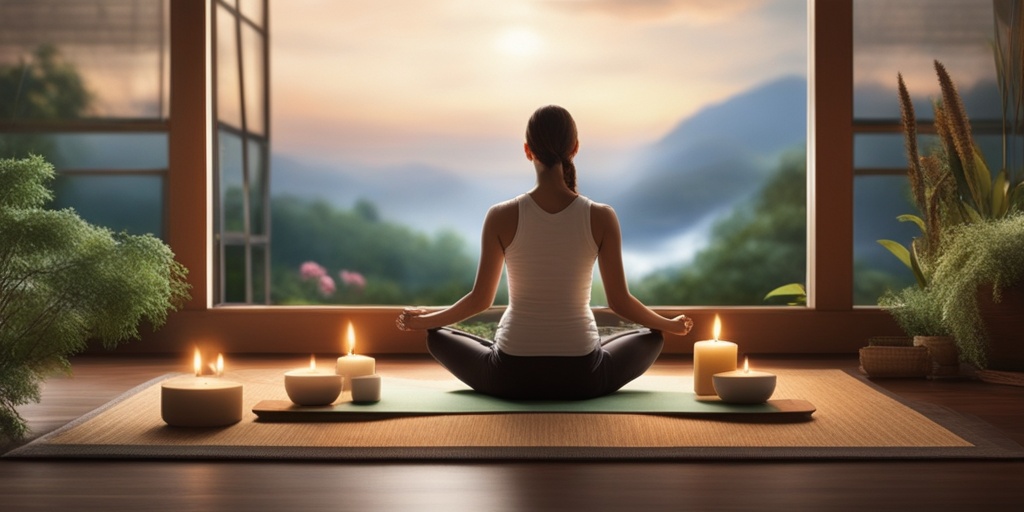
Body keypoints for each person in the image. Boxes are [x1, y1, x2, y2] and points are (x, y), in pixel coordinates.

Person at [396, 105, 693, 400]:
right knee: (652, 337)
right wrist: (671, 325)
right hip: (583, 377)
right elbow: (620, 302)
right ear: (575, 148)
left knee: (437, 337)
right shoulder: (602, 216)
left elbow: (480, 300)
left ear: (527, 151)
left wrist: (423, 320)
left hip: (508, 376)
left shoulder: (500, 215)